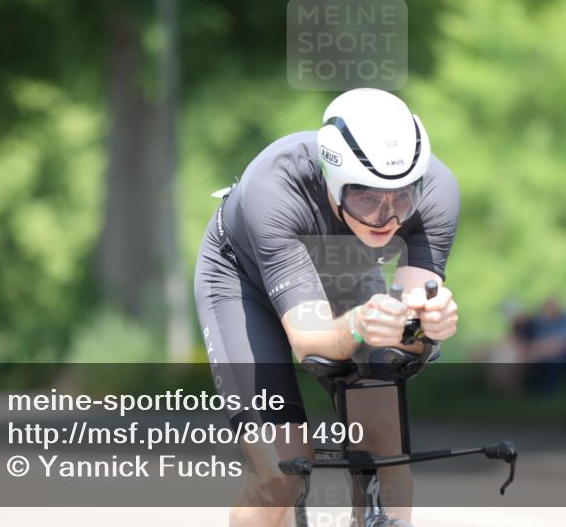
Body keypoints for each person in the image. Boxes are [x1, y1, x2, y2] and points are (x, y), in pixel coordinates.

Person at [194, 88, 461, 527]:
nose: (388, 218)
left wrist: (426, 328)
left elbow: (408, 334)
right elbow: (312, 342)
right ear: (333, 181)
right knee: (283, 471)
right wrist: (359, 325)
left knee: (381, 441)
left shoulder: (437, 191)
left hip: (345, 277)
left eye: (401, 197)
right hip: (243, 282)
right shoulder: (274, 186)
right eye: (367, 199)